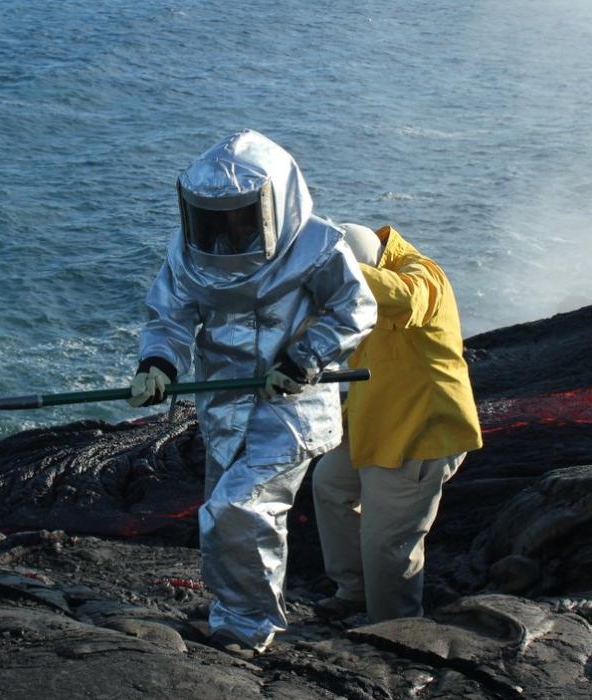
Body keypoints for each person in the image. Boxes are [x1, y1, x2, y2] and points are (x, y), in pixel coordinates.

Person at [126, 130, 377, 657]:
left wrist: (302, 358)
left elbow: (356, 310)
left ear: (275, 202)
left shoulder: (318, 245)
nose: (223, 235)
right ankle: (231, 611)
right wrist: (157, 364)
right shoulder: (188, 254)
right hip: (223, 407)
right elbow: (170, 316)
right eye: (213, 222)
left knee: (239, 508)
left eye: (239, 220)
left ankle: (246, 630)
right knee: (235, 510)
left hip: (292, 407)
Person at [311, 223, 483, 622]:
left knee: (389, 541)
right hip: (371, 422)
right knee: (330, 485)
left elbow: (408, 298)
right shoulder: (368, 272)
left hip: (418, 432)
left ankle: (392, 626)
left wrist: (335, 272)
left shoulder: (423, 273)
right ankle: (353, 591)